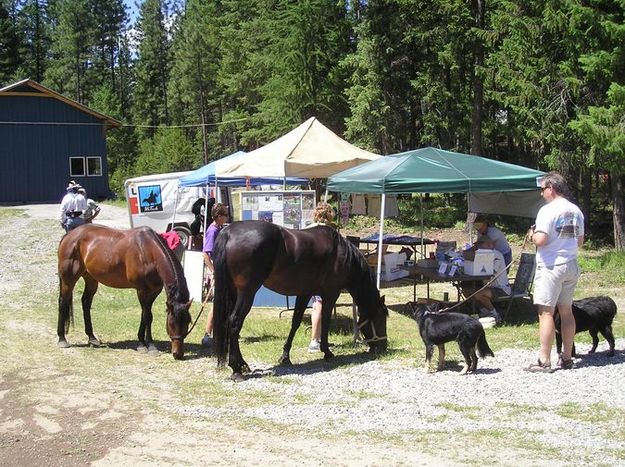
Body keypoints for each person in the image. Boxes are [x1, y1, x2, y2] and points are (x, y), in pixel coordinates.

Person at [524, 172, 584, 373]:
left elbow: (541, 240)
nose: (541, 194)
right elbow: (580, 241)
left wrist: (532, 234)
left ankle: (544, 360)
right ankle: (567, 357)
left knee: (546, 312)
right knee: (566, 310)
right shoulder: (575, 210)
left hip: (551, 266)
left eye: (542, 189)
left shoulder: (547, 211)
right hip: (571, 264)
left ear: (551, 188)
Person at [305, 202, 337, 352]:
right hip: (321, 275)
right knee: (318, 306)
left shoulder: (308, 228)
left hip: (309, 273)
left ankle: (318, 338)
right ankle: (314, 340)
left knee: (316, 305)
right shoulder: (328, 232)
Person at [462, 237, 510, 324]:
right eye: (478, 245)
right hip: (491, 286)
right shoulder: (485, 253)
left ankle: (495, 314)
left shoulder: (495, 254)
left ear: (488, 244)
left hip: (501, 288)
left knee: (478, 294)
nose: (478, 247)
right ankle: (484, 311)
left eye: (480, 244)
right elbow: (466, 254)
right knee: (466, 291)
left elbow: (490, 272)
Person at [201, 203, 229, 348]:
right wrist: (214, 271)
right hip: (215, 271)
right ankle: (207, 334)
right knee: (216, 304)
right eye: (224, 216)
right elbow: (206, 254)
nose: (226, 218)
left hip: (221, 270)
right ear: (218, 217)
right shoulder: (212, 231)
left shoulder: (220, 228)